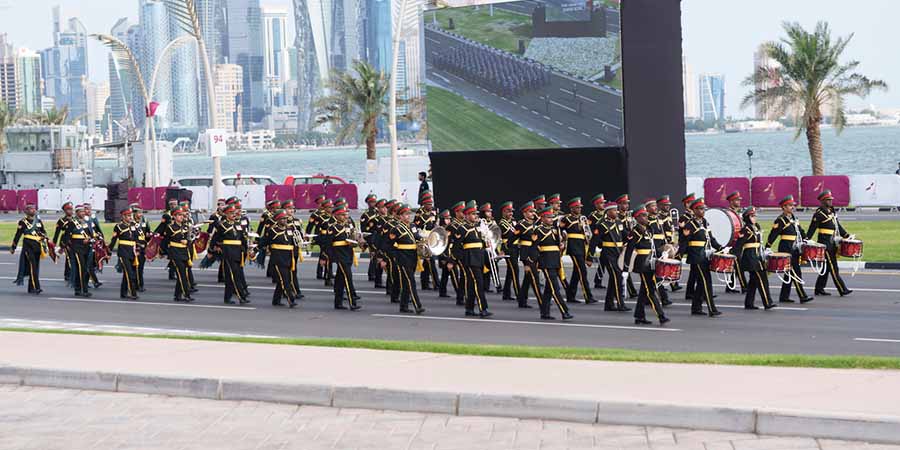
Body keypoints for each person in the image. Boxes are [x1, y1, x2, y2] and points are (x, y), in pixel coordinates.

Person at [624, 205, 669, 326]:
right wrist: (625, 268)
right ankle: (661, 316)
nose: (646, 217)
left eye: (646, 215)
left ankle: (639, 316)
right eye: (643, 216)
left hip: (651, 262)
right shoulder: (635, 232)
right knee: (650, 291)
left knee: (644, 291)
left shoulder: (649, 229)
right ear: (637, 218)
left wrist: (662, 253)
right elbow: (629, 250)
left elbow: (652, 248)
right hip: (642, 264)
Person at [679, 198, 723, 317]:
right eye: (700, 209)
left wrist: (720, 247)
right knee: (706, 282)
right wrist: (678, 256)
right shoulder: (689, 224)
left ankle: (696, 308)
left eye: (703, 208)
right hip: (696, 256)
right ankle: (712, 309)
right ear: (694, 210)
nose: (702, 211)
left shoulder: (704, 222)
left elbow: (711, 238)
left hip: (705, 255)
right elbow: (683, 242)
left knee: (700, 283)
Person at [766, 195, 813, 304]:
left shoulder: (794, 218)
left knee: (789, 273)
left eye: (793, 205)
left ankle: (784, 296)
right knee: (795, 272)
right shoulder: (780, 220)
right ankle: (802, 296)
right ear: (784, 207)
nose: (793, 207)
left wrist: (806, 239)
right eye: (790, 205)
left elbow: (800, 230)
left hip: (795, 248)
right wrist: (768, 247)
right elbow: (773, 235)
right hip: (786, 248)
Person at [807, 190, 853, 297]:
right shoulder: (819, 214)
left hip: (832, 243)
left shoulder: (832, 212)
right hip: (825, 244)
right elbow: (812, 229)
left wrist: (847, 235)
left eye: (831, 199)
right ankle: (842, 289)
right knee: (833, 268)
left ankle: (819, 289)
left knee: (826, 268)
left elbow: (838, 226)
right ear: (822, 201)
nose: (830, 201)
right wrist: (806, 239)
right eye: (828, 200)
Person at [532, 206, 574, 320]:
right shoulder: (538, 230)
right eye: (548, 217)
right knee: (555, 288)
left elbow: (558, 244)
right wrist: (537, 262)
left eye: (552, 217)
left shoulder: (555, 229)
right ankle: (564, 311)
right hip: (546, 261)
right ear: (542, 218)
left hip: (555, 260)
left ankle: (544, 312)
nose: (551, 219)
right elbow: (534, 248)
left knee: (549, 289)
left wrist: (562, 244)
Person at [455, 201, 492, 318]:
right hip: (470, 259)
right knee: (478, 283)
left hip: (479, 258)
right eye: (472, 214)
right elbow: (456, 246)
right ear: (466, 215)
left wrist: (487, 242)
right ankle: (483, 308)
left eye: (476, 214)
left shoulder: (478, 228)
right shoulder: (462, 228)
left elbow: (481, 244)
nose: (475, 216)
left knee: (472, 284)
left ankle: (469, 308)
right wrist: (456, 260)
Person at [735, 207, 777, 310]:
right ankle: (767, 302)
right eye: (752, 216)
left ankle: (749, 303)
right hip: (751, 258)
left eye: (755, 216)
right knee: (762, 279)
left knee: (753, 282)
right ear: (747, 218)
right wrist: (734, 256)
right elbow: (739, 245)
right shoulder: (745, 230)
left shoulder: (756, 227)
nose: (754, 218)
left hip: (758, 256)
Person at [322, 204, 361, 310]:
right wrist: (326, 257)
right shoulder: (333, 227)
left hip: (348, 253)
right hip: (339, 254)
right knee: (348, 277)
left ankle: (338, 303)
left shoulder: (348, 226)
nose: (345, 216)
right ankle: (352, 302)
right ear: (337, 215)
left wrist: (357, 241)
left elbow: (353, 238)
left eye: (346, 214)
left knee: (340, 279)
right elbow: (327, 244)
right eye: (342, 215)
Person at [388, 203, 425, 314]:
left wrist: (424, 240)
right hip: (403, 257)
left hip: (413, 256)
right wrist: (396, 255)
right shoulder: (396, 229)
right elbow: (389, 244)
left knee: (406, 283)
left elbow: (417, 237)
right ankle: (417, 305)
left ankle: (403, 306)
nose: (407, 216)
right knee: (411, 282)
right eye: (405, 214)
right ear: (400, 216)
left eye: (408, 214)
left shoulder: (412, 226)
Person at [591, 201, 628, 312]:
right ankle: (620, 303)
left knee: (614, 279)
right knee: (617, 277)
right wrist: (589, 257)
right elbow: (594, 241)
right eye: (614, 210)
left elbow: (625, 236)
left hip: (618, 253)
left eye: (616, 209)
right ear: (607, 212)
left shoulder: (618, 222)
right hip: (608, 254)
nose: (616, 212)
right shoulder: (602, 225)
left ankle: (609, 304)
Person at [210, 204, 250, 305]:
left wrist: (246, 251)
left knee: (229, 277)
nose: (233, 214)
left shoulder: (238, 225)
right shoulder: (222, 225)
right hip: (228, 252)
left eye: (234, 213)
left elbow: (243, 239)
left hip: (238, 252)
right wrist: (212, 250)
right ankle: (242, 296)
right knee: (234, 275)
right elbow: (215, 238)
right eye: (231, 213)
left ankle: (227, 298)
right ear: (226, 214)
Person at [260, 209, 300, 308]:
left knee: (285, 280)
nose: (285, 220)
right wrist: (255, 250)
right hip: (278, 258)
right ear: (277, 219)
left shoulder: (290, 229)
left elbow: (295, 242)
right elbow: (263, 242)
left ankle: (276, 300)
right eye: (282, 219)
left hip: (289, 258)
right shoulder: (272, 231)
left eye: (286, 218)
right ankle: (291, 299)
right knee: (285, 281)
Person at [560, 197, 595, 304]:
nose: (579, 209)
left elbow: (587, 232)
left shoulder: (583, 218)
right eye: (576, 207)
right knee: (582, 271)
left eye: (580, 207)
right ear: (571, 208)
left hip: (582, 246)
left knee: (577, 272)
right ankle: (588, 296)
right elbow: (558, 230)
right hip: (573, 247)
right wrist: (562, 240)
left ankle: (570, 296)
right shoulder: (566, 219)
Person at [10, 203, 47, 294]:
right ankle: (36, 287)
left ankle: (31, 287)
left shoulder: (38, 221)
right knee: (32, 267)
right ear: (26, 211)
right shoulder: (23, 222)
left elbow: (43, 231)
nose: (33, 210)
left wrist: (44, 237)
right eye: (30, 209)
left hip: (37, 247)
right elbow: (18, 235)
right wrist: (13, 247)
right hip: (28, 247)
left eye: (34, 208)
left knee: (35, 268)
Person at [162, 208, 195, 303]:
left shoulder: (185, 227)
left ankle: (177, 295)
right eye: (179, 215)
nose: (181, 217)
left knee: (183, 274)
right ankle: (186, 294)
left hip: (184, 252)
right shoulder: (170, 227)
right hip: (175, 253)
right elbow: (166, 241)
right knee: (182, 275)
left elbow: (190, 239)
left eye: (182, 215)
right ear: (174, 217)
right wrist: (162, 252)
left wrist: (187, 241)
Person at [108, 208, 140, 300]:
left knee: (128, 274)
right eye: (128, 216)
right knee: (129, 273)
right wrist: (109, 252)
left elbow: (136, 238)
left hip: (132, 252)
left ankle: (123, 292)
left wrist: (137, 249)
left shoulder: (134, 225)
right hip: (123, 252)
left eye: (130, 215)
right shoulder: (119, 226)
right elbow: (113, 240)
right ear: (123, 216)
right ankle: (133, 293)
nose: (130, 217)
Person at [645, 198, 672, 306]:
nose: (655, 207)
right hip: (653, 250)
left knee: (657, 275)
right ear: (647, 208)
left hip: (660, 249)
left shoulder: (659, 218)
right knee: (656, 276)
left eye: (655, 205)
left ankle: (651, 297)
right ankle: (662, 298)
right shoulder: (647, 221)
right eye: (652, 206)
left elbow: (663, 234)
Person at [62, 205, 93, 297]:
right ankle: (83, 290)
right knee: (81, 268)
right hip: (77, 248)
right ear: (77, 213)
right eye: (81, 212)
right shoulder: (72, 223)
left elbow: (90, 234)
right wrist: (69, 246)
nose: (83, 213)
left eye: (84, 211)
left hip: (86, 248)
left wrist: (91, 239)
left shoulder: (86, 222)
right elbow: (66, 237)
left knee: (86, 269)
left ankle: (79, 289)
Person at [515, 202, 539, 310]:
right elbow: (512, 239)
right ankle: (542, 300)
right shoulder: (521, 224)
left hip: (534, 252)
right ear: (524, 213)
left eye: (533, 211)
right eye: (530, 212)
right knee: (534, 277)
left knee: (528, 278)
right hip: (526, 253)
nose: (533, 213)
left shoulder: (535, 224)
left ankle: (522, 300)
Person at [414, 192, 439, 290]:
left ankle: (424, 282)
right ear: (424, 204)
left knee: (427, 262)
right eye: (428, 204)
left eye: (431, 204)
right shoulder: (420, 212)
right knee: (430, 260)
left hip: (431, 237)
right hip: (423, 237)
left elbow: (435, 222)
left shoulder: (434, 211)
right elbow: (417, 224)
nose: (430, 206)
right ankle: (436, 283)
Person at [616, 194, 638, 298]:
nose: (627, 205)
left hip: (630, 244)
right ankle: (629, 291)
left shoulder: (629, 216)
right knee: (623, 268)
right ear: (619, 205)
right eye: (624, 204)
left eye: (627, 203)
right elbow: (621, 232)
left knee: (626, 267)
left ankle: (630, 291)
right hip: (622, 244)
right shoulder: (617, 217)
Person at [725, 191, 748, 294]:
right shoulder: (728, 213)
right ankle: (744, 286)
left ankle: (730, 286)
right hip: (733, 243)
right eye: (737, 200)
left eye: (739, 200)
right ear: (731, 201)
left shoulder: (738, 213)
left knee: (736, 266)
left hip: (740, 242)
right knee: (739, 265)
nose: (739, 202)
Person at [498, 201, 520, 301]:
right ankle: (519, 294)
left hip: (515, 248)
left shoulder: (513, 221)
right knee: (515, 270)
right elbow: (510, 234)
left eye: (511, 211)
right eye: (508, 211)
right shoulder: (502, 224)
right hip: (508, 248)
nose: (511, 213)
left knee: (510, 272)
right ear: (503, 212)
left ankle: (506, 294)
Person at [53, 202, 76, 284]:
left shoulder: (75, 219)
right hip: (65, 242)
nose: (71, 211)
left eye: (71, 209)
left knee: (74, 257)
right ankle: (68, 275)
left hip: (75, 241)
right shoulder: (61, 221)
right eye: (68, 209)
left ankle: (71, 274)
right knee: (69, 258)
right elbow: (57, 233)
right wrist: (54, 245)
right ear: (65, 211)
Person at [360, 194, 381, 283]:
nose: (373, 203)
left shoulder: (378, 212)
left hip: (378, 236)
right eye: (371, 202)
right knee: (373, 256)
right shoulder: (366, 215)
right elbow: (364, 229)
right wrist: (366, 240)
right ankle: (371, 274)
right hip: (371, 237)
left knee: (377, 255)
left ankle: (374, 273)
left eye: (374, 202)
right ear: (368, 203)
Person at [587, 194, 606, 289]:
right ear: (596, 204)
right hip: (597, 237)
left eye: (603, 203)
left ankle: (598, 280)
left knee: (603, 262)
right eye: (601, 203)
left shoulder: (607, 214)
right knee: (603, 262)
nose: (603, 204)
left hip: (607, 239)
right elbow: (589, 228)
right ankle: (598, 280)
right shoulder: (593, 216)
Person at [437, 209, 455, 298]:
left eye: (449, 219)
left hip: (450, 253)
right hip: (444, 255)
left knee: (445, 275)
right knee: (453, 275)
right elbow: (439, 246)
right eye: (446, 219)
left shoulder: (450, 228)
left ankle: (442, 291)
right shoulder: (440, 230)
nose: (448, 220)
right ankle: (460, 294)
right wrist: (443, 258)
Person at [133, 206, 151, 292]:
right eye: (139, 213)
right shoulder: (131, 223)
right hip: (135, 247)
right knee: (137, 267)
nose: (140, 215)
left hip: (143, 246)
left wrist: (148, 235)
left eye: (141, 213)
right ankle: (138, 285)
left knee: (141, 267)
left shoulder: (144, 220)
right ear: (135, 213)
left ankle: (138, 284)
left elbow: (148, 231)